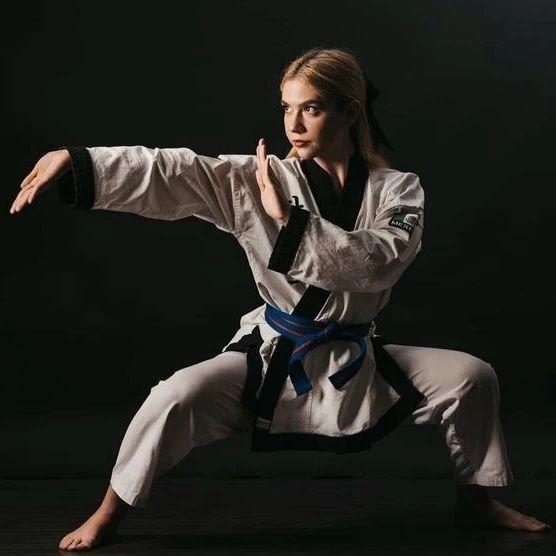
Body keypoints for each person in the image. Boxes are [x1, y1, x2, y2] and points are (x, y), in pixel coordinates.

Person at [10, 47, 551, 551]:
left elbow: (378, 262)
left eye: (311, 109)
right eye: (287, 108)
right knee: (174, 395)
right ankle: (108, 512)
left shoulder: (398, 189)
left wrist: (290, 221)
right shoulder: (260, 178)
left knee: (472, 376)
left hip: (356, 356)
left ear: (350, 112)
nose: (293, 125)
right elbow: (176, 169)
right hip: (275, 354)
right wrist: (77, 160)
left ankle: (477, 501)